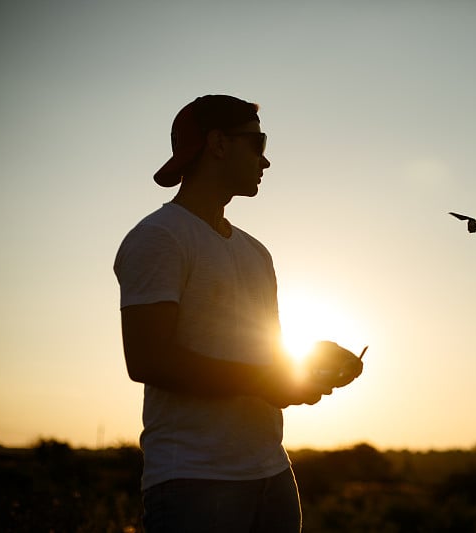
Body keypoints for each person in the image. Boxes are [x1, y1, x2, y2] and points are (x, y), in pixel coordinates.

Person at [113, 94, 363, 532]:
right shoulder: (159, 237)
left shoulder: (255, 252)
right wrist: (266, 381)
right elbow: (148, 360)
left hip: (273, 475)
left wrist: (309, 361)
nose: (266, 162)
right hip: (194, 483)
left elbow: (260, 356)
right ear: (219, 144)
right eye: (258, 144)